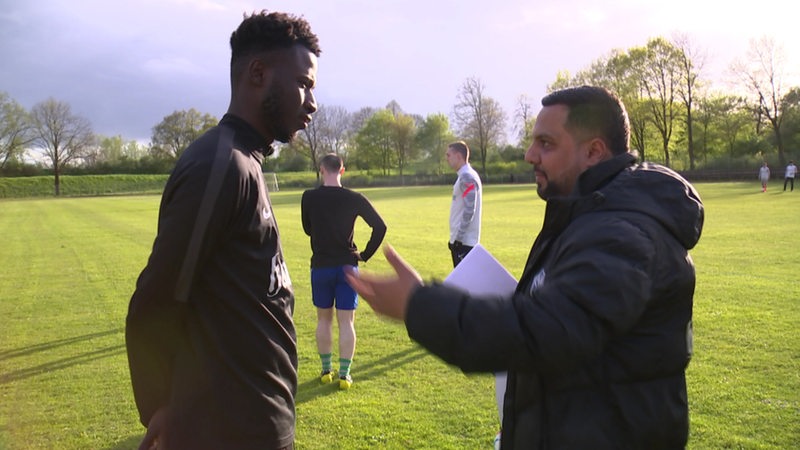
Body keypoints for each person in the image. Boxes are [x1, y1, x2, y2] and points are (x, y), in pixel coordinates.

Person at [346, 85, 704, 449]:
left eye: (546, 144)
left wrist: (417, 305)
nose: (529, 154)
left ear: (594, 151)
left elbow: (549, 332)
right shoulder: (588, 216)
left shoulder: (623, 232)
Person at [125, 11, 320, 450]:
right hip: (227, 433)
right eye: (304, 83)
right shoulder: (221, 166)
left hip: (257, 424)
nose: (311, 102)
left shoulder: (246, 161)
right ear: (258, 74)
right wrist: (159, 404)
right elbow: (154, 300)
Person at [301, 153, 387, 390]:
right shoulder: (354, 198)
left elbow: (307, 228)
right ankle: (344, 375)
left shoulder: (309, 197)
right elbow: (380, 226)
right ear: (342, 170)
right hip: (347, 266)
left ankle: (326, 370)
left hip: (321, 266)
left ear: (321, 169)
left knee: (323, 320)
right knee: (346, 321)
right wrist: (365, 254)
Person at [446, 141, 482, 267]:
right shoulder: (464, 176)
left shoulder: (467, 177)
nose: (447, 159)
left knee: (464, 285)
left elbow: (469, 209)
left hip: (464, 243)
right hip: (461, 241)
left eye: (448, 155)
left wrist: (458, 239)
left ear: (458, 156)